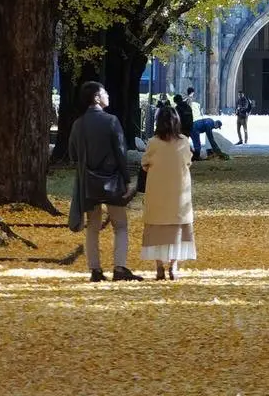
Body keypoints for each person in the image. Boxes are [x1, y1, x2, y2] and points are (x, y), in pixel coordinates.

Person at [68, 80, 140, 283]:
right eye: (105, 93)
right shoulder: (111, 121)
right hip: (112, 181)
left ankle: (95, 270)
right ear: (97, 97)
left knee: (92, 225)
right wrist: (126, 179)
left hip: (88, 182)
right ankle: (119, 267)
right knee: (121, 225)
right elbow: (120, 152)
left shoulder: (78, 124)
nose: (108, 96)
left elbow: (73, 154)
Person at [141, 104, 197, 281]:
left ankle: (159, 267)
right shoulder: (184, 142)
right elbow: (188, 161)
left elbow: (145, 163)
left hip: (157, 193)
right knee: (177, 229)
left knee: (157, 228)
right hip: (178, 194)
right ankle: (173, 266)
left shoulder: (153, 143)